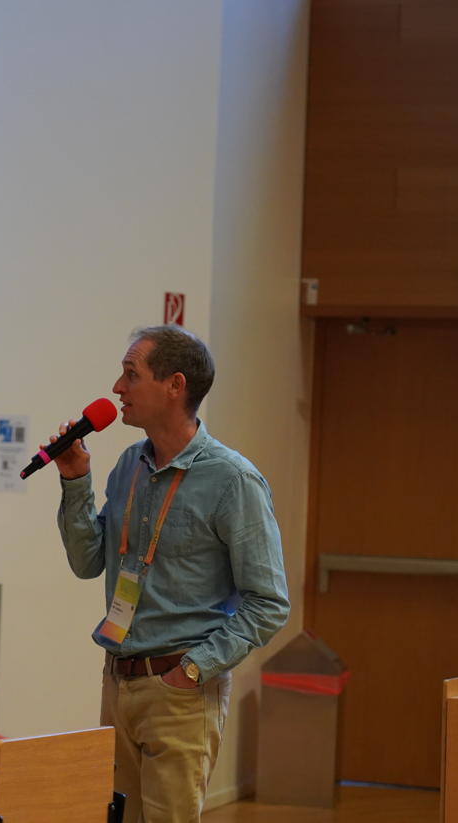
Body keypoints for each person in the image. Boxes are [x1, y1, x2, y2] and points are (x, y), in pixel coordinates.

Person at [51, 325, 289, 823]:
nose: (117, 388)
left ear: (174, 385)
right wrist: (75, 481)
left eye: (131, 374)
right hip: (119, 680)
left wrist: (193, 670)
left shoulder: (232, 480)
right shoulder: (129, 465)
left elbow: (268, 602)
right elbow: (87, 562)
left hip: (181, 688)